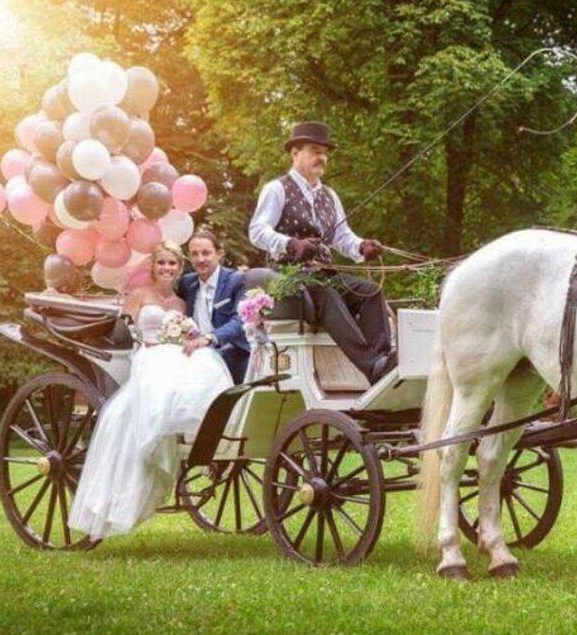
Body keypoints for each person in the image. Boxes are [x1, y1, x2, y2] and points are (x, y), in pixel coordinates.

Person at [69, 242, 233, 540]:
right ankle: (157, 434)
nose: (167, 269)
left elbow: (188, 331)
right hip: (147, 353)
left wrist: (182, 336)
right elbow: (123, 330)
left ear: (178, 268)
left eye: (172, 264)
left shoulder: (182, 304)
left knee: (205, 368)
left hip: (177, 351)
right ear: (153, 267)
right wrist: (146, 343)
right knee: (163, 379)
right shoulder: (140, 295)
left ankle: (196, 433)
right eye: (162, 264)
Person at [249, 121, 396, 383]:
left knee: (370, 291)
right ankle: (371, 364)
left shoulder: (330, 195)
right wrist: (291, 244)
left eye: (325, 152)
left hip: (324, 274)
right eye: (315, 150)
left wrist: (362, 247)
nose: (322, 157)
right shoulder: (277, 189)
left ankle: (383, 361)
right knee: (326, 293)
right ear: (295, 153)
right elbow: (257, 231)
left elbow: (343, 237)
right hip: (289, 276)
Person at [178, 228, 251, 384]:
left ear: (219, 254)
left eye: (206, 253)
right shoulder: (186, 283)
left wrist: (210, 338)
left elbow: (240, 320)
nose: (200, 259)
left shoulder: (237, 280)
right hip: (194, 354)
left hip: (230, 353)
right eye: (195, 254)